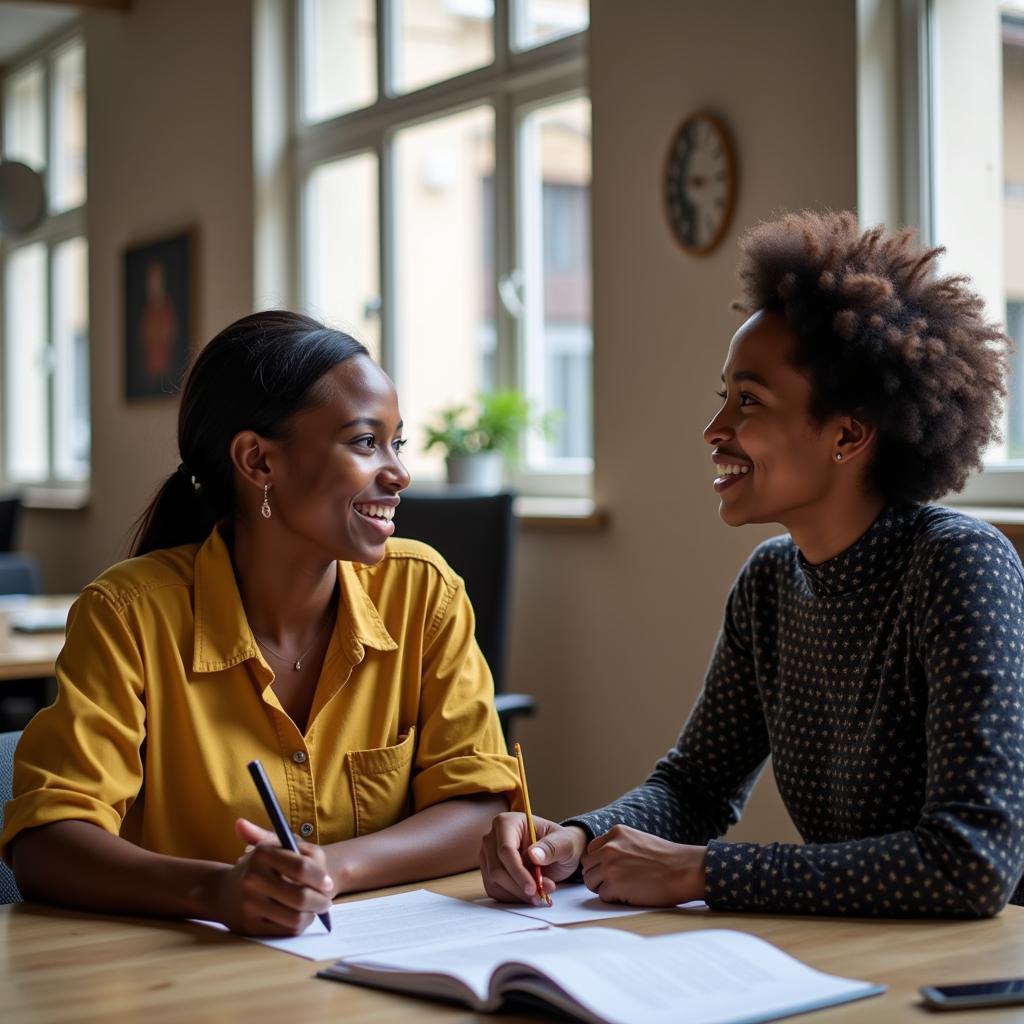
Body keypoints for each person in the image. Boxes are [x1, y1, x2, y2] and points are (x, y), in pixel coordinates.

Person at [481, 211, 1024, 918]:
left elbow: (972, 863)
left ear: (849, 434)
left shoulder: (959, 565)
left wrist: (707, 873)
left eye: (749, 401)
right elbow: (695, 788)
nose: (715, 431)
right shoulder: (771, 582)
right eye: (724, 398)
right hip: (865, 950)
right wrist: (578, 839)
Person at [2, 310, 520, 935]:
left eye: (397, 442)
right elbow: (47, 843)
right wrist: (215, 890)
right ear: (257, 461)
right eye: (364, 443)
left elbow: (477, 803)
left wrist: (328, 868)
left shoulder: (423, 591)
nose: (400, 473)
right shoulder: (128, 615)